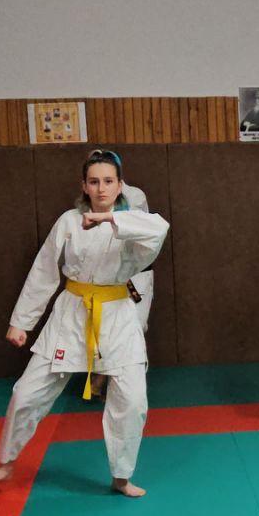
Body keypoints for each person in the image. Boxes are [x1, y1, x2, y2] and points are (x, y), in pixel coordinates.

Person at [0, 149, 169, 498]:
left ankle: (121, 476)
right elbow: (44, 269)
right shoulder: (68, 221)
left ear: (120, 185)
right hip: (72, 313)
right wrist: (22, 321)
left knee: (133, 401)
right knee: (25, 393)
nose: (101, 188)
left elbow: (160, 229)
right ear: (84, 186)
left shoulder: (134, 223)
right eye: (94, 182)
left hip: (118, 316)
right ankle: (6, 463)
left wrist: (108, 220)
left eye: (108, 181)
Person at [85, 150, 154, 400]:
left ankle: (117, 383)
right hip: (107, 275)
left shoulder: (134, 196)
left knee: (136, 326)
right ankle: (103, 378)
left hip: (136, 274)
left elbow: (140, 229)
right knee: (106, 330)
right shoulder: (86, 202)